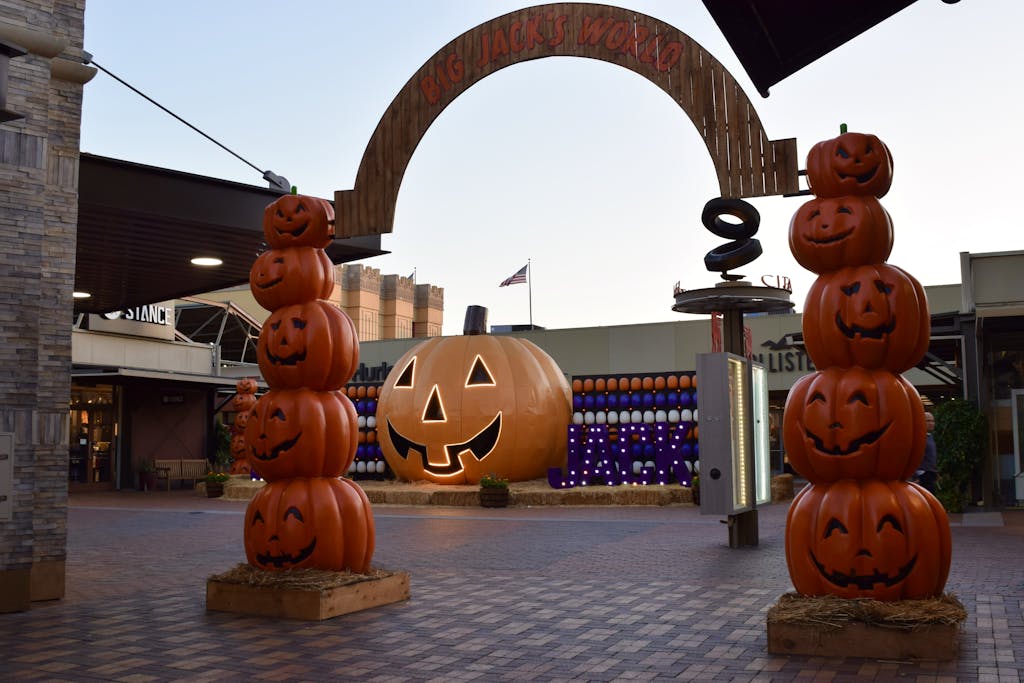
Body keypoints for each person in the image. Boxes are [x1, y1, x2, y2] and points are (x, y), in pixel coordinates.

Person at [917, 411, 938, 495]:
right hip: (923, 474)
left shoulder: (930, 436)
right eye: (928, 421)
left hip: (931, 473)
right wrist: (916, 475)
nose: (931, 423)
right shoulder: (919, 437)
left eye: (933, 421)